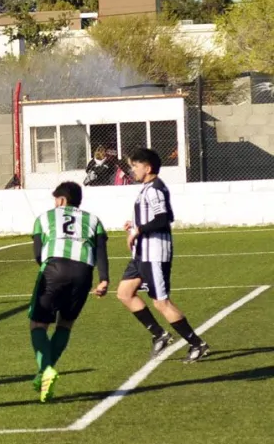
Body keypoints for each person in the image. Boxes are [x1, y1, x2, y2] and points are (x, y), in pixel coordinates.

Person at [117, 148, 209, 362]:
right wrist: (134, 224)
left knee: (161, 302)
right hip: (141, 254)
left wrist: (139, 230)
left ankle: (197, 344)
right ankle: (159, 334)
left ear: (147, 168)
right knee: (124, 293)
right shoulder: (147, 188)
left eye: (136, 166)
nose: (133, 170)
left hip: (154, 254)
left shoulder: (154, 189)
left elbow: (164, 218)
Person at [29, 181, 109, 402]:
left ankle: (46, 369)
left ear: (62, 200)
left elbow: (37, 253)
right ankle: (43, 375)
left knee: (38, 325)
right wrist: (104, 279)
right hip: (83, 273)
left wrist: (49, 271)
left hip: (54, 269)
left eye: (56, 199)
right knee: (65, 324)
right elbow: (101, 251)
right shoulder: (93, 220)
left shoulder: (44, 218)